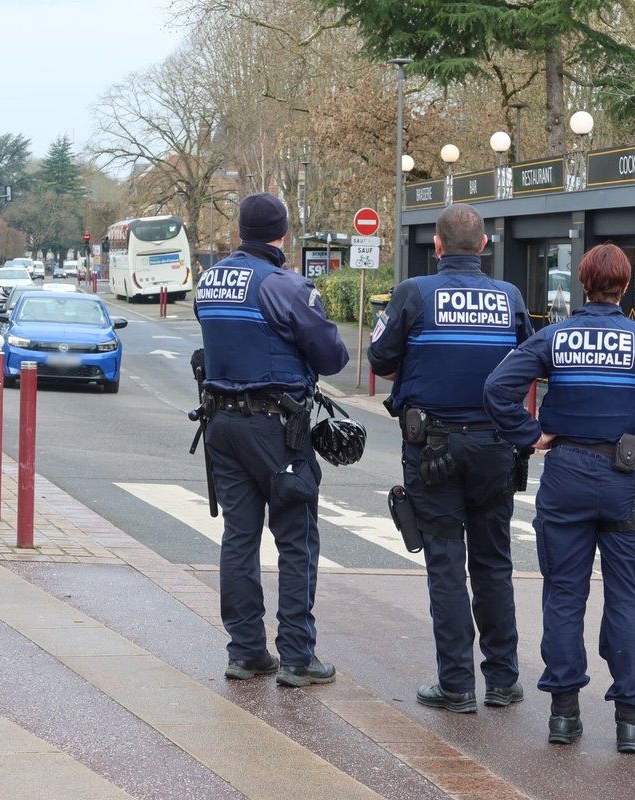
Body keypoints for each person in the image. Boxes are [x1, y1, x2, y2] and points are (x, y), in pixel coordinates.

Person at [484, 243, 635, 754]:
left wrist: (531, 434)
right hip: (625, 474)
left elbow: (498, 387)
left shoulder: (555, 338)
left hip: (565, 473)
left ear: (582, 285)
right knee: (627, 597)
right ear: (624, 287)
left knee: (564, 595)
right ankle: (631, 718)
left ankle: (564, 715)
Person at [367, 203, 533, 715]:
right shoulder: (509, 297)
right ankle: (503, 680)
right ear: (484, 246)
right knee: (493, 563)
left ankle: (457, 685)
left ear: (436, 246)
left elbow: (379, 358)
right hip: (494, 448)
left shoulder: (413, 293)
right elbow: (529, 361)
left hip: (432, 447)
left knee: (445, 565)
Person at [194, 191, 349, 688]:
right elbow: (332, 357)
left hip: (221, 425)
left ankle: (245, 652)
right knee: (296, 538)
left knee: (239, 537)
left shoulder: (210, 280)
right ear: (281, 234)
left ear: (241, 231)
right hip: (277, 430)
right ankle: (298, 656)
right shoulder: (285, 285)